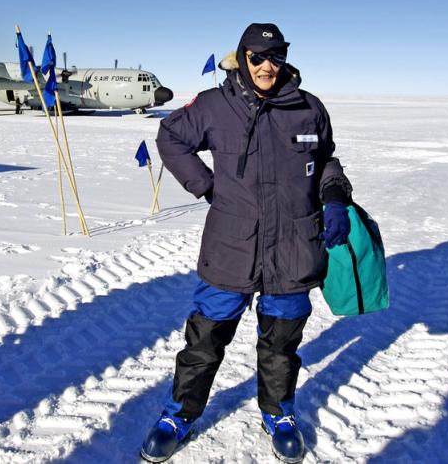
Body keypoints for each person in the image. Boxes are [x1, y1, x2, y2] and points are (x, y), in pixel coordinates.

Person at [141, 23, 353, 463]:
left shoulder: (307, 108)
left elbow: (326, 159)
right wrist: (206, 186)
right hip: (231, 246)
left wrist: (334, 195)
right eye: (257, 56)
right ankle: (178, 415)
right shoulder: (216, 105)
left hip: (293, 247)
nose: (266, 65)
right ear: (242, 57)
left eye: (275, 56)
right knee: (204, 340)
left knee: (281, 344)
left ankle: (278, 413)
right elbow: (171, 137)